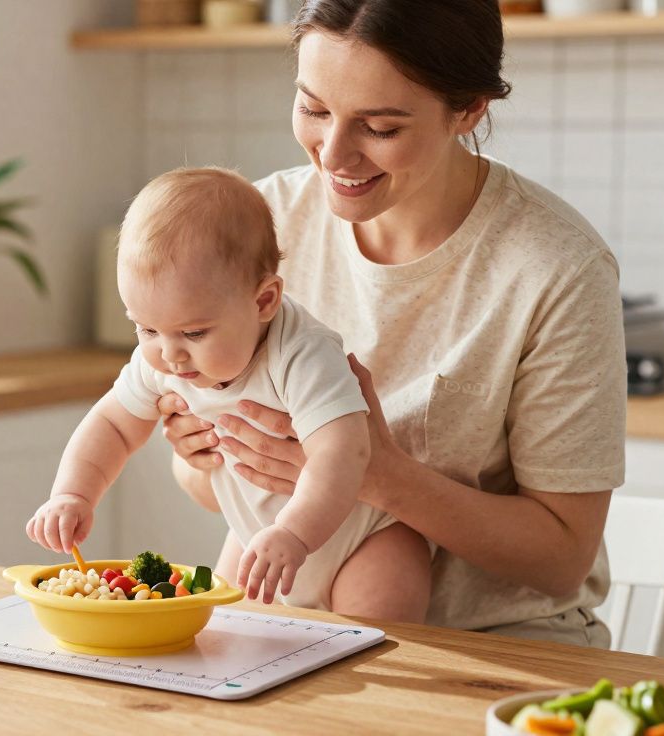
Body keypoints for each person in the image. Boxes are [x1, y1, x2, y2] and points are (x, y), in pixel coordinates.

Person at [159, 0, 625, 645]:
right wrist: (203, 456)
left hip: (503, 644)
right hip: (295, 628)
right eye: (314, 109)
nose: (335, 155)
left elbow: (561, 559)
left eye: (380, 127)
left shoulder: (555, 268)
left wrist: (379, 475)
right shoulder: (258, 225)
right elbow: (224, 483)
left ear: (468, 110)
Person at [25, 167, 431, 622]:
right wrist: (73, 494)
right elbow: (113, 425)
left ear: (263, 302)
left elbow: (344, 455)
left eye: (194, 332)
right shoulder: (165, 356)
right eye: (146, 328)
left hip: (364, 540)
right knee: (227, 636)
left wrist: (294, 534)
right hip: (256, 536)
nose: (170, 355)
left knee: (370, 644)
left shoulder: (302, 355)